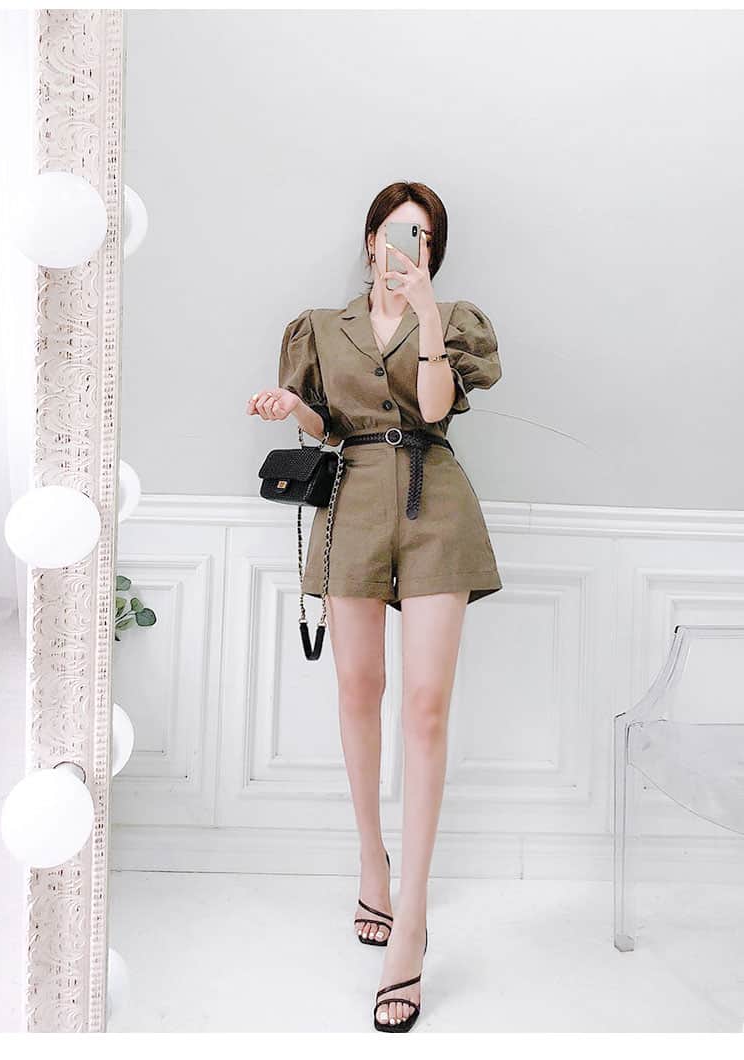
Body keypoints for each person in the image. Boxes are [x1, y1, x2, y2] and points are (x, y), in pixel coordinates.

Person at [247, 181, 503, 1031]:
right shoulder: (322, 328)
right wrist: (295, 408)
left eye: (423, 236)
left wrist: (424, 311)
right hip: (352, 502)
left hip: (436, 506)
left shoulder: (454, 321)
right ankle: (372, 863)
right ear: (369, 241)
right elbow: (327, 426)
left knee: (426, 709)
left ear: (434, 251)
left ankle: (413, 920)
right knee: (359, 691)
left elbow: (433, 408)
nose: (406, 246)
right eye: (396, 231)